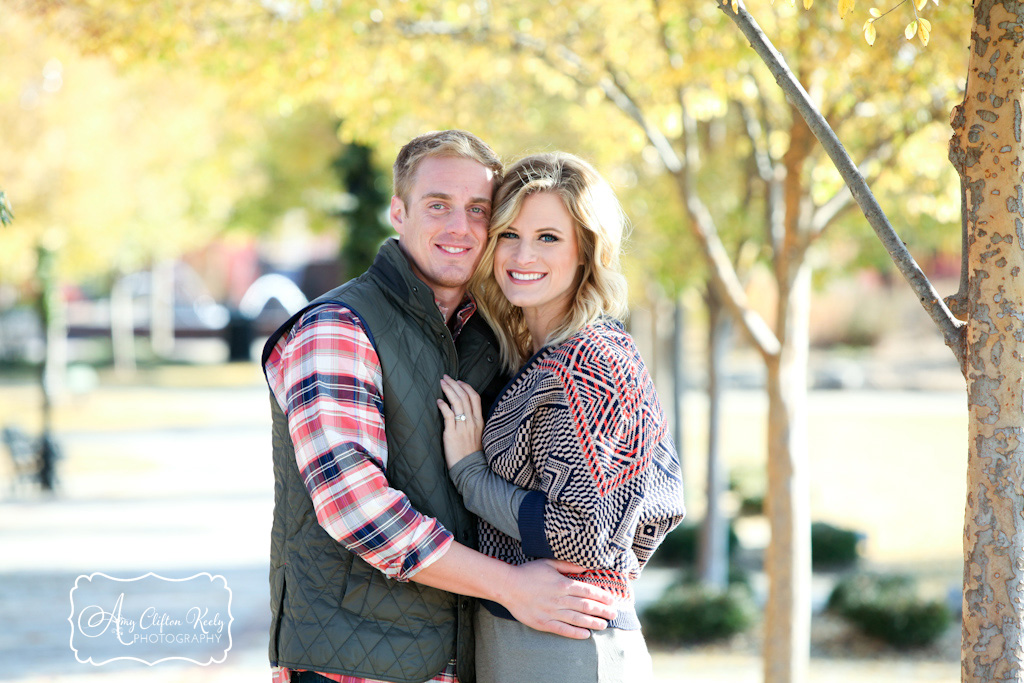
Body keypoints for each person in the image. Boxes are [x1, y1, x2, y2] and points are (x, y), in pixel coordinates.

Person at [261, 132, 617, 683]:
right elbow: (357, 509)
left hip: (463, 660)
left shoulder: (489, 335)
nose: (460, 227)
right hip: (353, 667)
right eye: (438, 205)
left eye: (478, 209)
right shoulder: (337, 328)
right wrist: (511, 586)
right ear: (398, 212)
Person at [436, 152, 686, 682]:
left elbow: (578, 534)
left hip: (563, 648)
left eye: (548, 237)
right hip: (532, 636)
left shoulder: (590, 363)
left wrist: (470, 474)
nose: (522, 254)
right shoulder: (547, 353)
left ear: (585, 251)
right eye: (509, 234)